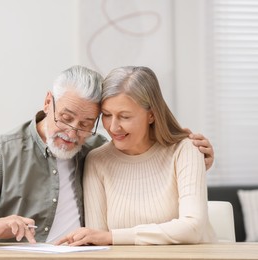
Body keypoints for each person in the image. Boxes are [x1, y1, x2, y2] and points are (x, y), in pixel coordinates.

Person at [0, 65, 214, 244]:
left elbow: (145, 160)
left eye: (86, 125)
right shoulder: (3, 153)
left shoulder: (94, 149)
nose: (72, 132)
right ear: (47, 102)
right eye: (65, 118)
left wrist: (197, 161)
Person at [56, 66, 217, 246]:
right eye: (107, 115)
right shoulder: (97, 160)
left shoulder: (186, 149)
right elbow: (97, 242)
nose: (113, 127)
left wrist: (112, 237)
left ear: (152, 115)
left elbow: (192, 228)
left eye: (124, 117)